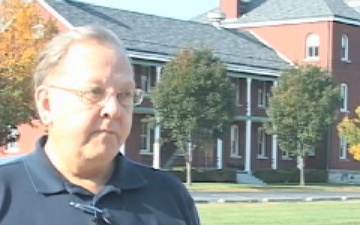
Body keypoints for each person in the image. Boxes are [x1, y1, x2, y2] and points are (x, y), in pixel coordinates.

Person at [0, 25, 200, 225]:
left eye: (125, 95)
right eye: (94, 93)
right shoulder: (6, 195)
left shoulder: (169, 197)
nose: (113, 110)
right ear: (46, 104)